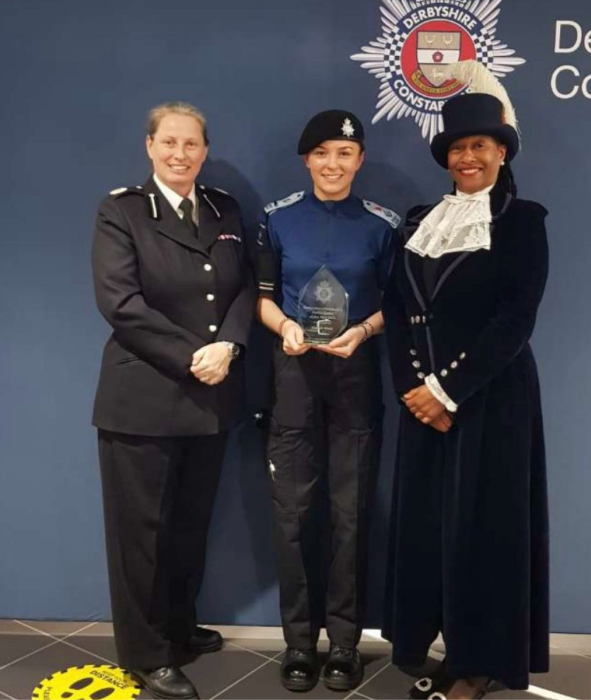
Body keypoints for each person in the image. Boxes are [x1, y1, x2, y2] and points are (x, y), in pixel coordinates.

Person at [381, 61, 550, 699]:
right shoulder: (420, 218)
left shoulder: (523, 220)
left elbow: (515, 321)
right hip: (423, 403)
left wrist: (446, 390)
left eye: (480, 145)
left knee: (484, 534)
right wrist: (413, 388)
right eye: (458, 147)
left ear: (502, 151)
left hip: (490, 401)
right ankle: (432, 641)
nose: (469, 157)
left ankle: (477, 663)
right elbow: (396, 308)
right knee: (430, 530)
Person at [91, 102, 254, 700]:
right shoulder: (122, 211)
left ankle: (179, 629)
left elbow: (244, 289)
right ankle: (146, 652)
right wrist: (196, 354)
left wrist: (232, 344)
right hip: (144, 399)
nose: (180, 154)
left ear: (205, 150)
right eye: (169, 143)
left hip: (211, 398)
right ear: (150, 147)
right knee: (143, 534)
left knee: (188, 526)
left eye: (191, 144)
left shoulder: (224, 210)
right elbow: (120, 304)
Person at [253, 110, 398, 693]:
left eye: (345, 153)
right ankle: (297, 643)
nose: (333, 164)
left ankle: (343, 644)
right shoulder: (277, 220)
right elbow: (261, 298)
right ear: (306, 159)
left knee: (349, 515)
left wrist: (362, 331)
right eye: (322, 153)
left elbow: (397, 304)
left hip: (355, 377)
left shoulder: (383, 226)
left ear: (360, 160)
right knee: (293, 516)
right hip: (293, 378)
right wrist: (285, 326)